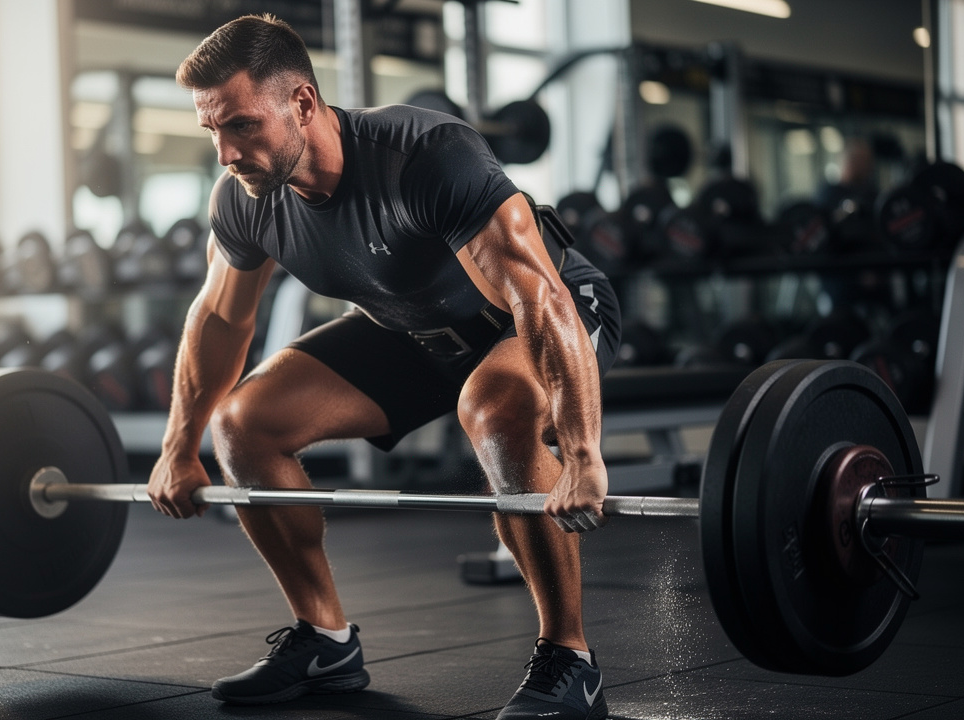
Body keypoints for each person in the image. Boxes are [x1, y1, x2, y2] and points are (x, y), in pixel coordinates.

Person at [145, 14, 621, 720]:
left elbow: (538, 297)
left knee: (495, 408)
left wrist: (581, 453)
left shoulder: (424, 156)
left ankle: (570, 659)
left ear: (302, 102)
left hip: (545, 312)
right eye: (212, 130)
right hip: (413, 330)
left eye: (242, 125)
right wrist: (178, 447)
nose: (226, 153)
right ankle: (324, 639)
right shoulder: (246, 200)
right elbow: (219, 319)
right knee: (245, 422)